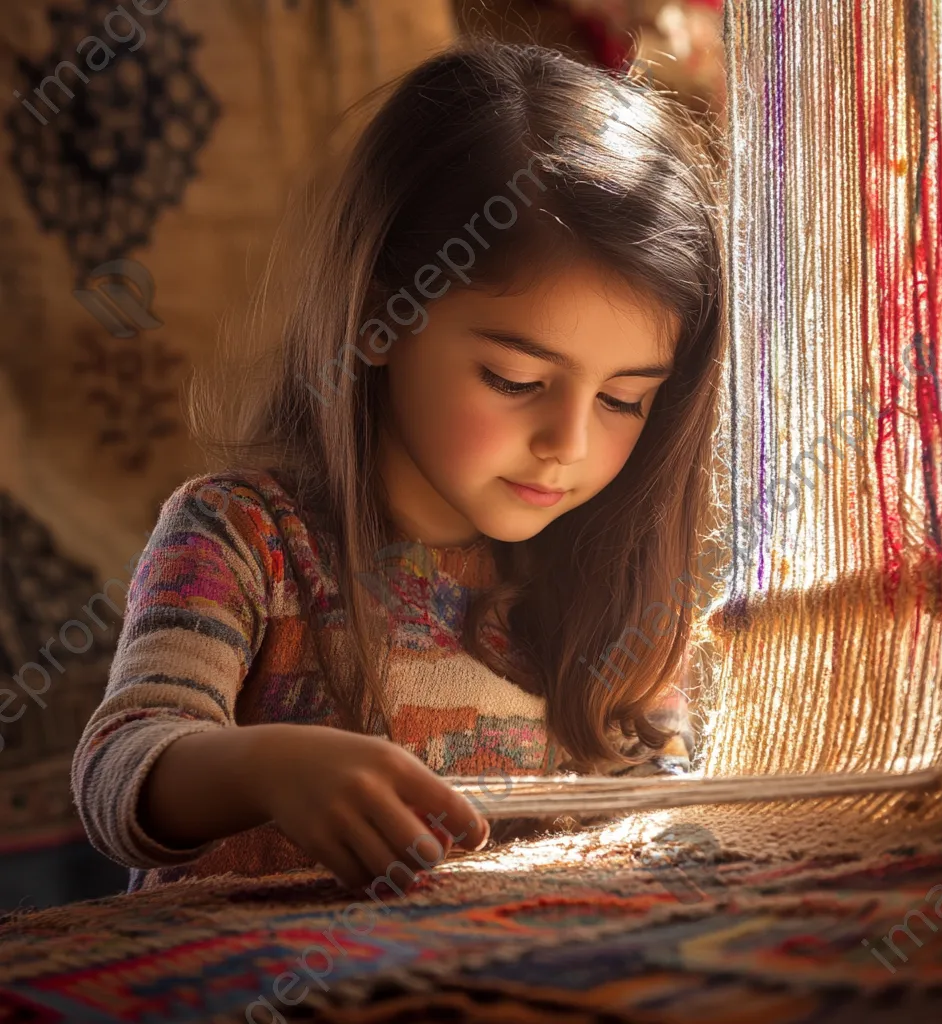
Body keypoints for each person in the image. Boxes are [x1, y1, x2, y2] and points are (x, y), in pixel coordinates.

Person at [70, 37, 725, 898]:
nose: (567, 442)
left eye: (623, 399)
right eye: (515, 380)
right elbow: (120, 769)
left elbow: (666, 813)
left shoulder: (617, 588)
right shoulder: (240, 541)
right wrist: (268, 770)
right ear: (382, 315)